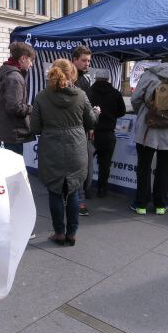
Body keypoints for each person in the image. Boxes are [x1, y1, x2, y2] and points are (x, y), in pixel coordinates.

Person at [30, 59, 97, 246]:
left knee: (55, 191)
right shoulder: (81, 95)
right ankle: (72, 233)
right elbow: (91, 121)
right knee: (74, 191)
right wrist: (96, 112)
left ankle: (59, 232)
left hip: (52, 147)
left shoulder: (42, 96)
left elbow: (35, 127)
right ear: (72, 74)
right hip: (76, 146)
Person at [130, 62, 168, 215]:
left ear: (161, 63)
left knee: (144, 167)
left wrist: (144, 113)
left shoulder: (149, 75)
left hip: (147, 129)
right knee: (166, 168)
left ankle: (141, 204)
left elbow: (136, 99)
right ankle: (160, 205)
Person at [87, 70, 126, 197]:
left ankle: (86, 190)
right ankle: (102, 189)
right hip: (109, 133)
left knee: (87, 163)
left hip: (91, 133)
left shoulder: (89, 92)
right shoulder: (115, 93)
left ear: (96, 78)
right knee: (105, 164)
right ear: (108, 78)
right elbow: (122, 112)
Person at [0, 42, 36, 154]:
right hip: (12, 134)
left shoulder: (9, 73)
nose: (31, 65)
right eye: (31, 60)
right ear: (23, 58)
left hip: (9, 132)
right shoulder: (14, 77)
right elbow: (14, 107)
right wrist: (31, 108)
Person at [71, 45, 94, 215]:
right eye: (84, 60)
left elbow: (87, 108)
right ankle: (78, 201)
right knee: (78, 168)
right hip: (73, 131)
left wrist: (91, 125)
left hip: (83, 130)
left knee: (83, 167)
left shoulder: (85, 79)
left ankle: (78, 198)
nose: (87, 64)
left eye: (88, 61)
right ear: (74, 60)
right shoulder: (70, 80)